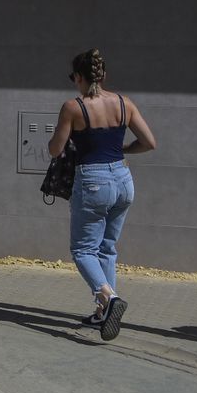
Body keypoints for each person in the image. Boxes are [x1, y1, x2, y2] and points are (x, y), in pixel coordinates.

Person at [47, 49, 157, 340]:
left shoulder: (73, 107)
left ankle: (109, 299)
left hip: (93, 181)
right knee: (107, 249)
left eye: (74, 78)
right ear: (104, 75)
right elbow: (149, 142)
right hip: (123, 179)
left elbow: (55, 150)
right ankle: (102, 313)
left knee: (83, 250)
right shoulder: (124, 103)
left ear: (80, 77)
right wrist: (123, 149)